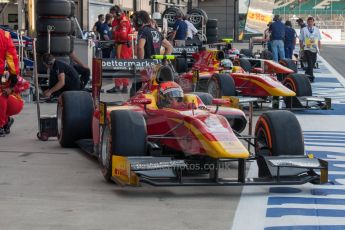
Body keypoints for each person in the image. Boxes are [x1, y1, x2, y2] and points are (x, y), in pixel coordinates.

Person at [0, 28, 29, 136]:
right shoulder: (5, 35)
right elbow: (12, 57)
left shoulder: (5, 76)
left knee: (1, 95)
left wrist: (12, 87)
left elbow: (26, 84)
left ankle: (1, 126)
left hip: (13, 100)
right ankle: (6, 121)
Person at [107, 5, 132, 94]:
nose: (112, 16)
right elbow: (113, 33)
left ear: (117, 12)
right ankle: (122, 86)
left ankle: (120, 86)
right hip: (119, 45)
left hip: (123, 46)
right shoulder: (116, 21)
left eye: (113, 14)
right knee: (121, 66)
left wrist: (114, 31)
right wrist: (115, 32)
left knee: (122, 66)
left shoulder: (123, 21)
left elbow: (123, 36)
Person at [299, 16, 321, 82]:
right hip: (307, 48)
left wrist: (319, 48)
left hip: (314, 48)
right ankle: (311, 76)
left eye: (311, 21)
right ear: (307, 22)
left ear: (313, 22)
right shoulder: (304, 29)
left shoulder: (317, 29)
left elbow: (319, 40)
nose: (310, 23)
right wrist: (301, 49)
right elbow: (301, 40)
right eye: (309, 21)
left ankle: (307, 73)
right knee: (310, 62)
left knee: (313, 62)